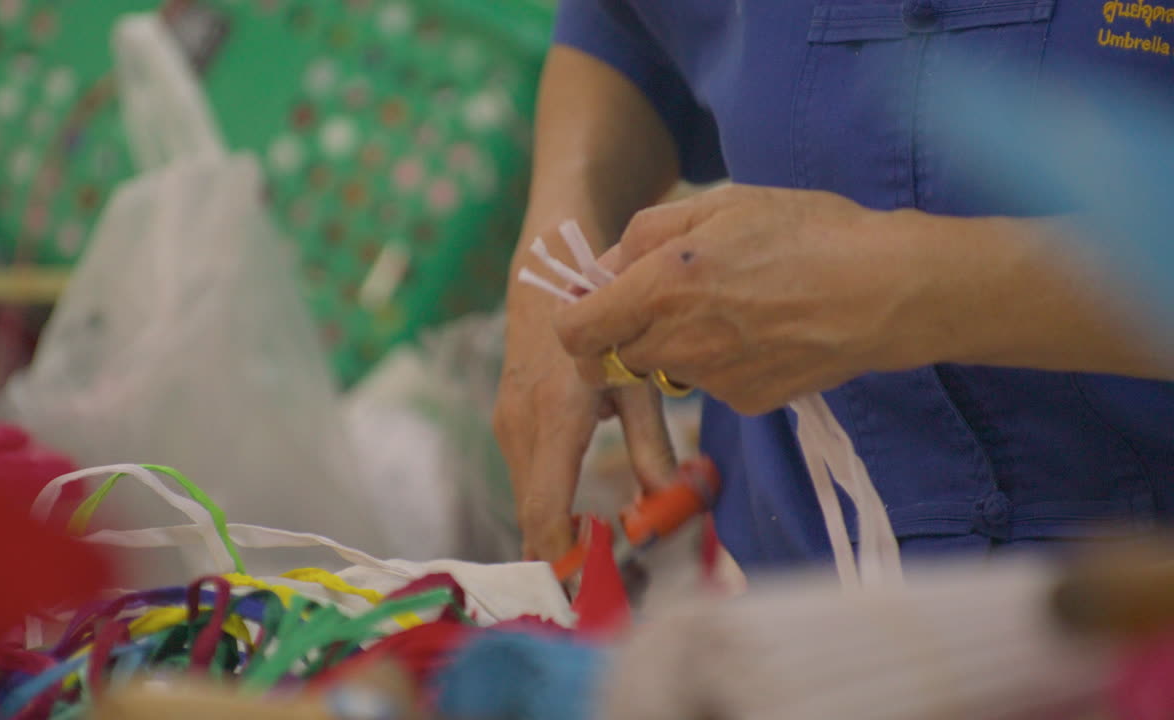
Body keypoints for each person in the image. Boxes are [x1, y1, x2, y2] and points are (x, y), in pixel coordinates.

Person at [493, 0, 1174, 571]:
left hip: (1131, 601)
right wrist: (561, 244)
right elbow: (629, 26)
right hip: (809, 595)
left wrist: (910, 290)